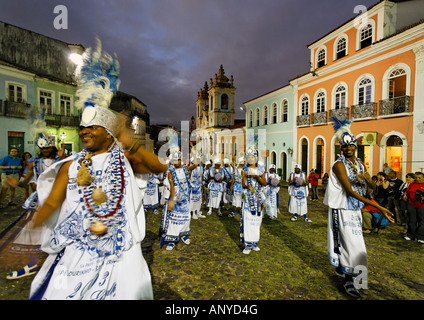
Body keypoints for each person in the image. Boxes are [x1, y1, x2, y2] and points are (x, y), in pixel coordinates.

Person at [27, 41, 167, 300]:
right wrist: (26, 235)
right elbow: (52, 203)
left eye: (92, 128)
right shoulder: (69, 165)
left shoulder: (126, 159)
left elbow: (157, 166)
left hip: (119, 255)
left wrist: (127, 139)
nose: (85, 132)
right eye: (82, 128)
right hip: (77, 254)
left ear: (108, 131)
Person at [325, 117, 394, 298]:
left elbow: (371, 187)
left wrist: (367, 178)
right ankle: (349, 278)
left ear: (356, 146)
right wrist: (379, 207)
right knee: (350, 244)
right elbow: (349, 191)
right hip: (342, 209)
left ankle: (356, 276)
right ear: (341, 147)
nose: (348, 148)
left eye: (351, 145)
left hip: (355, 210)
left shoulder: (360, 164)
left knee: (357, 243)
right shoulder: (338, 165)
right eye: (345, 146)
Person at [6, 135, 65, 280]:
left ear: (53, 147)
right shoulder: (34, 163)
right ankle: (31, 264)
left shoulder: (63, 161)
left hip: (60, 201)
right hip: (40, 201)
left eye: (48, 147)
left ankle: (61, 265)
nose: (45, 150)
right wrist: (17, 183)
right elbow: (25, 181)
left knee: (60, 231)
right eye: (42, 147)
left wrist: (63, 158)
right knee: (34, 232)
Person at [160, 150, 192, 250]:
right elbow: (172, 186)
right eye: (175, 160)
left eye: (178, 160)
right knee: (173, 220)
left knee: (186, 217)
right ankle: (172, 240)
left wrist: (193, 151)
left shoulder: (185, 169)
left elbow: (195, 165)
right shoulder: (170, 172)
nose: (176, 162)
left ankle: (183, 234)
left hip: (185, 199)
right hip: (176, 198)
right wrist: (172, 200)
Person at [240, 148, 267, 254]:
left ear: (256, 158)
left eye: (252, 157)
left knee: (256, 221)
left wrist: (256, 176)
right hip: (248, 199)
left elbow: (264, 183)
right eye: (249, 157)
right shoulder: (244, 170)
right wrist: (247, 185)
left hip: (258, 199)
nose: (251, 159)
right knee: (248, 220)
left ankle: (255, 243)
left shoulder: (261, 170)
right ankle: (247, 245)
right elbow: (243, 184)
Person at [403, 172, 424, 244]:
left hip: (422, 205)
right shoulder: (412, 184)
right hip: (411, 204)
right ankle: (410, 235)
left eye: (419, 178)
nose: (417, 179)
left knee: (422, 221)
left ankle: (421, 237)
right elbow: (407, 191)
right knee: (411, 220)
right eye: (416, 177)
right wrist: (405, 195)